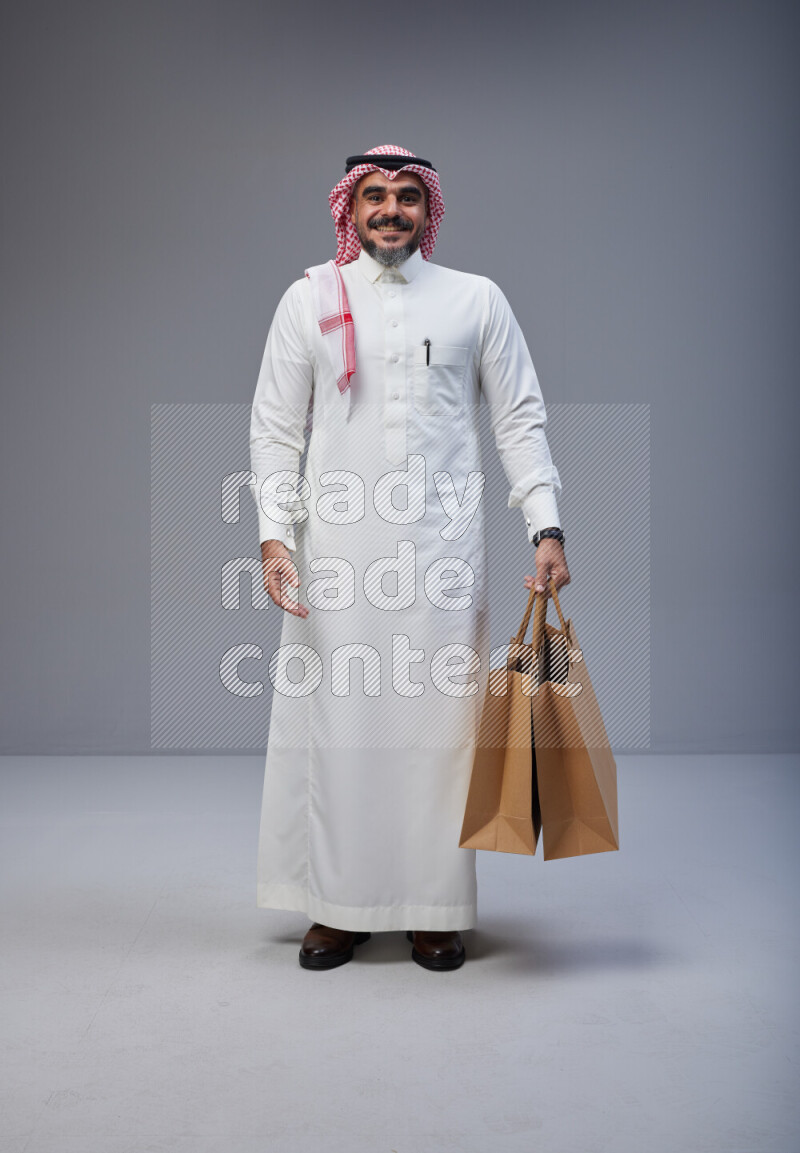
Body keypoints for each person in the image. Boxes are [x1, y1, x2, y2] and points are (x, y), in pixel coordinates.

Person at [250, 145, 569, 972]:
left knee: (441, 734)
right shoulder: (310, 298)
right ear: (349, 212)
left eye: (406, 198)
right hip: (338, 556)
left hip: (440, 553)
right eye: (374, 198)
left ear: (428, 211)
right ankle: (337, 908)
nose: (391, 210)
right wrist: (276, 536)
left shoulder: (476, 300)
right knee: (344, 729)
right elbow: (277, 429)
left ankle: (434, 909)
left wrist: (547, 527)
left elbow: (520, 421)